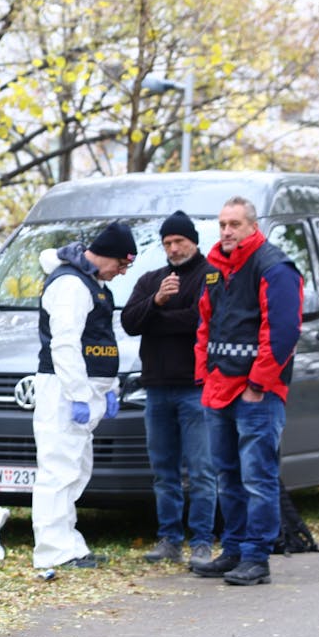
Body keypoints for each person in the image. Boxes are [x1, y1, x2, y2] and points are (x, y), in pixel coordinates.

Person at [190, 196, 303, 586]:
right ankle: (235, 549)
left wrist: (258, 383)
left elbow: (284, 331)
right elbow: (205, 323)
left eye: (234, 224)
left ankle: (257, 557)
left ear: (252, 227)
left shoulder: (274, 266)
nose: (226, 231)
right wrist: (204, 373)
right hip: (219, 387)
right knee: (228, 475)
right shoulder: (214, 268)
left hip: (256, 393)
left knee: (258, 477)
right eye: (222, 223)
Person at [30, 221, 136, 569]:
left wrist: (109, 388)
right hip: (63, 390)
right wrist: (78, 394)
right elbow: (64, 344)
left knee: (75, 469)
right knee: (58, 469)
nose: (121, 273)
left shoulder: (92, 284)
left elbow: (101, 340)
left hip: (83, 390)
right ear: (108, 254)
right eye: (121, 264)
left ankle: (69, 544)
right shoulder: (71, 285)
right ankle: (53, 550)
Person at [120, 210, 216, 568]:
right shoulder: (151, 281)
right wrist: (156, 303)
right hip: (157, 389)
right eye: (167, 243)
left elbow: (201, 320)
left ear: (193, 241)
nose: (173, 248)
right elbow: (130, 322)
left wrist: (156, 321)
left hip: (196, 388)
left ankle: (203, 541)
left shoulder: (212, 276)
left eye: (179, 241)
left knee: (202, 469)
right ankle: (170, 539)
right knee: (164, 471)